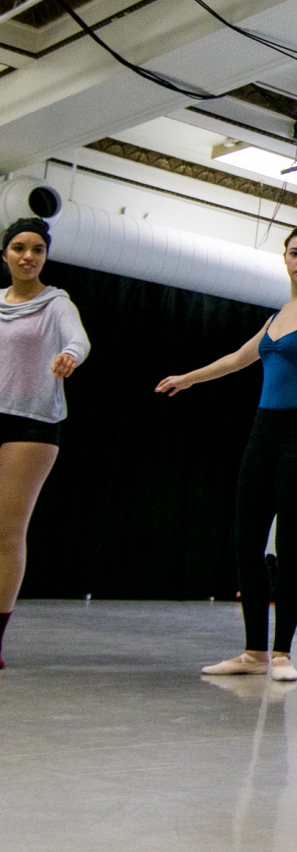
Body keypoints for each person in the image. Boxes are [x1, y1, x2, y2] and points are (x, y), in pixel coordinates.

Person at [156, 222, 297, 683]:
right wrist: (188, 378)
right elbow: (236, 359)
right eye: (294, 252)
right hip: (264, 433)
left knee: (289, 543)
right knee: (246, 542)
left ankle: (282, 653)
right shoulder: (274, 319)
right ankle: (253, 653)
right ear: (285, 259)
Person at [0, 217, 90, 670]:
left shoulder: (57, 303)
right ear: (5, 255)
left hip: (32, 423)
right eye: (19, 247)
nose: (28, 256)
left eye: (37, 249)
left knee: (7, 531)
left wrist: (69, 355)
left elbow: (79, 339)